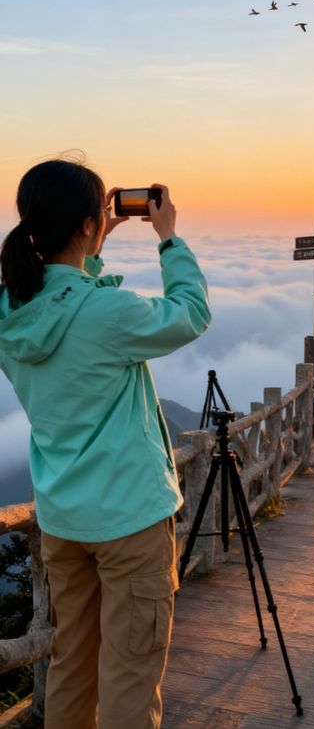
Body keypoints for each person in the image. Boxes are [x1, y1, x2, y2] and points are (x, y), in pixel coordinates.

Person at [0, 159, 211, 729]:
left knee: (73, 663)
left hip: (63, 519)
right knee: (130, 673)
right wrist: (169, 238)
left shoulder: (11, 310)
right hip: (129, 520)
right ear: (89, 223)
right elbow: (192, 314)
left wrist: (90, 249)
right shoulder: (107, 312)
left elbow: (61, 303)